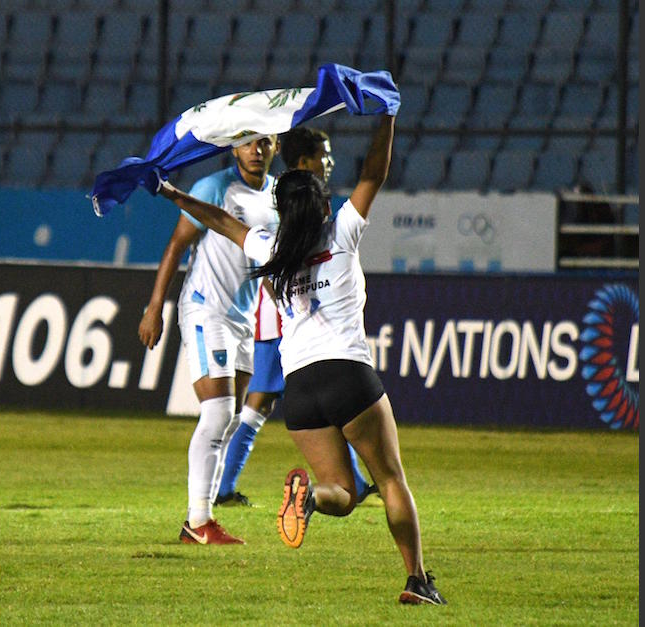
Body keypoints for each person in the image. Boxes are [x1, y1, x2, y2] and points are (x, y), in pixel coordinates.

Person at [154, 114, 447, 605]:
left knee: (342, 494)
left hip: (301, 390)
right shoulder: (341, 234)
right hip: (348, 374)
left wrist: (173, 195)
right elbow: (375, 172)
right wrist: (389, 115)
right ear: (322, 203)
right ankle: (418, 580)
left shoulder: (273, 247)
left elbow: (223, 223)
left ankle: (311, 496)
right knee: (391, 478)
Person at [215, 126, 378, 508]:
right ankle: (223, 487)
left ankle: (351, 481)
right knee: (259, 401)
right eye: (324, 155)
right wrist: (284, 301)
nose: (330, 162)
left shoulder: (292, 197)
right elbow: (269, 261)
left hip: (293, 320)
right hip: (285, 322)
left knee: (306, 404)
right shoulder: (290, 203)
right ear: (304, 162)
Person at [138, 135, 280, 545]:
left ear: (277, 148)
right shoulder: (213, 189)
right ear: (233, 149)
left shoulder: (276, 196)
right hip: (205, 308)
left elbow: (269, 262)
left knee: (231, 417)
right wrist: (154, 307)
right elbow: (177, 244)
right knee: (218, 413)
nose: (257, 149)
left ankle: (204, 514)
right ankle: (198, 520)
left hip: (241, 316)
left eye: (266, 142)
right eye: (248, 143)